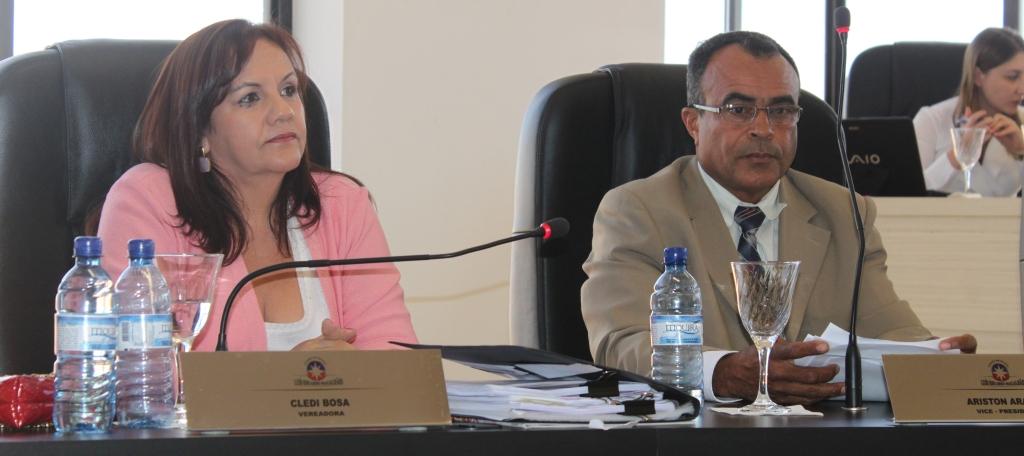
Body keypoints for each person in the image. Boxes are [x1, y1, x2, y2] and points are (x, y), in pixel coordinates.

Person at [580, 31, 976, 405]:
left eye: (782, 111)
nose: (764, 129)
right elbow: (620, 343)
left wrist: (938, 359)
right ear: (693, 123)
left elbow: (891, 330)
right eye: (738, 110)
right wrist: (721, 372)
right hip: (697, 433)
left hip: (819, 433)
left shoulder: (844, 213)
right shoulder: (638, 211)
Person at [97, 20, 417, 352]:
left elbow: (398, 360)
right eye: (250, 98)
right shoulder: (148, 200)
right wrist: (292, 376)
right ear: (199, 130)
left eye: (289, 90)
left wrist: (347, 372)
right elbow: (135, 364)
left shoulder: (342, 204)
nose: (284, 112)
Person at [914, 27, 1024, 196]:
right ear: (978, 76)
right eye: (1012, 77)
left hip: (1005, 214)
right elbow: (909, 191)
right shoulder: (931, 120)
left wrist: (1021, 151)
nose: (1021, 89)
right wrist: (957, 155)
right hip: (941, 214)